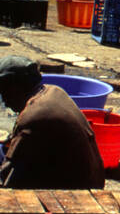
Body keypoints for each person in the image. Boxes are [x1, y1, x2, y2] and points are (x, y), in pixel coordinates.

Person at [0, 56, 104, 189]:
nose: (5, 101)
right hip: (92, 179)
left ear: (17, 87)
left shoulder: (33, 116)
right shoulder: (54, 91)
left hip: (75, 191)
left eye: (5, 92)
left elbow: (8, 179)